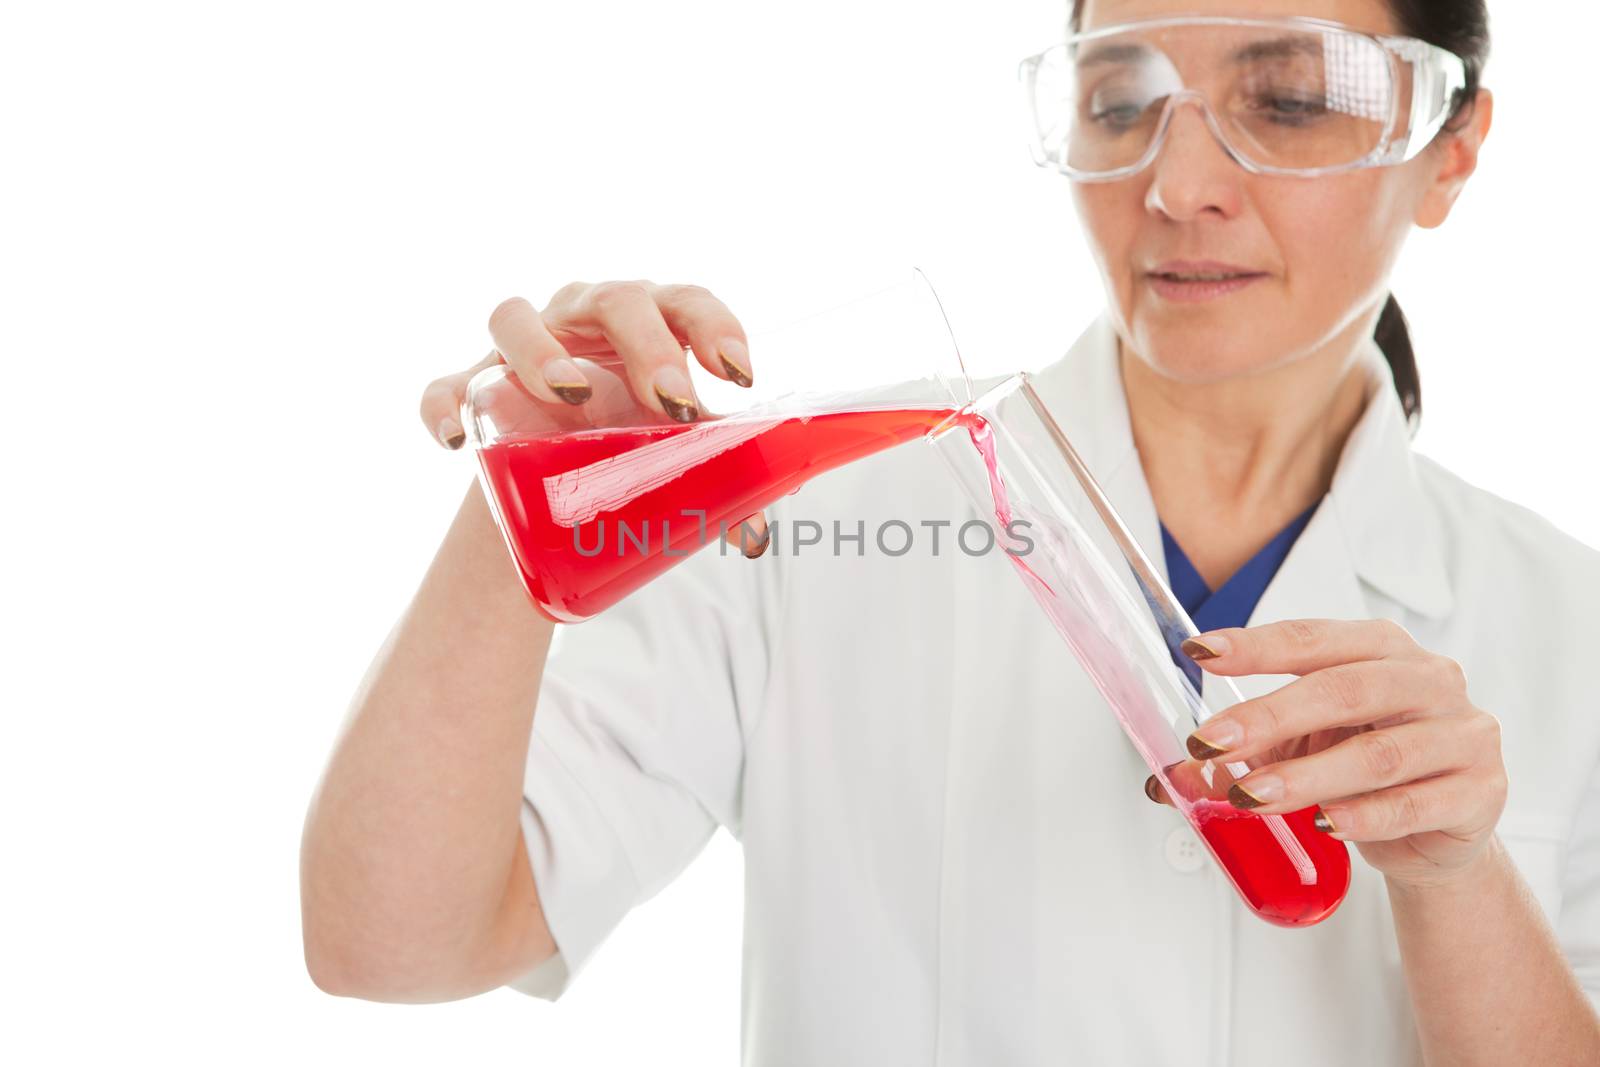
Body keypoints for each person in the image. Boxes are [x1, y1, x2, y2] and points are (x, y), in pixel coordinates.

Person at [300, 0, 1600, 1063]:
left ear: (1452, 149)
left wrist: (1454, 878)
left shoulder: (1567, 627)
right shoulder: (814, 510)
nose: (1181, 182)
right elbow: (391, 940)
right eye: (1123, 100)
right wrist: (519, 515)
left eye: (1293, 98)